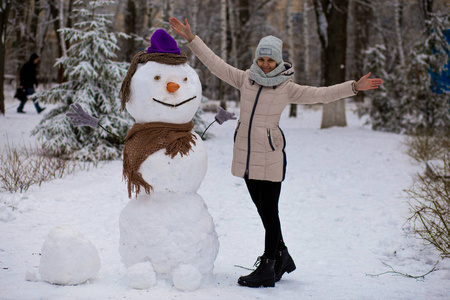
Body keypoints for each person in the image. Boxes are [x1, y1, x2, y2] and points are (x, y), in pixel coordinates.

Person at [170, 17, 383, 288]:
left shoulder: (286, 87)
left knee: (270, 211)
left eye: (270, 61)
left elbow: (322, 94)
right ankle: (282, 256)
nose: (265, 65)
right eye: (261, 60)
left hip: (270, 155)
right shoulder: (245, 79)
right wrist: (192, 39)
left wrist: (354, 86)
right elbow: (215, 64)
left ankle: (269, 266)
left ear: (279, 61)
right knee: (262, 210)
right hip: (246, 155)